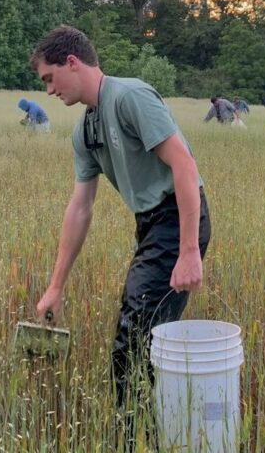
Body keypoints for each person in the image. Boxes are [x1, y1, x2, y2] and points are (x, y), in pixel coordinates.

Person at [30, 25, 210, 412]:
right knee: (147, 330)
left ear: (72, 62)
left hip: (177, 216)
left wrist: (189, 249)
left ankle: (134, 443)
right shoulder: (85, 132)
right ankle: (161, 425)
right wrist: (56, 287)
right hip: (149, 225)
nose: (49, 91)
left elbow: (184, 165)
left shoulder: (130, 97)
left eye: (50, 78)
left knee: (134, 329)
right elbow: (80, 207)